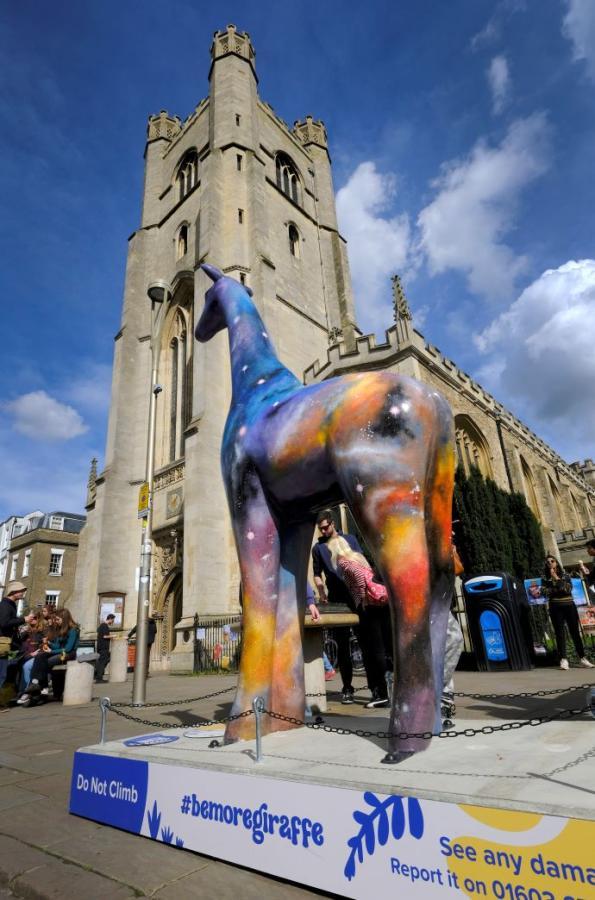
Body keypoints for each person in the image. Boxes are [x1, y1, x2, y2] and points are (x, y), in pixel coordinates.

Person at [312, 511, 366, 704]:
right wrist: (321, 590)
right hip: (336, 599)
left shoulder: (350, 539)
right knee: (342, 646)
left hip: (356, 596)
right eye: (321, 529)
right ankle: (347, 688)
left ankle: (378, 689)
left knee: (365, 641)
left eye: (326, 527)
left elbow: (362, 563)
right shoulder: (318, 548)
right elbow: (317, 573)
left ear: (333, 524)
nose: (324, 531)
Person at [542, 555, 593, 671]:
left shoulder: (565, 575)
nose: (550, 563)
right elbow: (545, 592)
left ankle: (582, 657)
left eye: (552, 561)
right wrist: (558, 588)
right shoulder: (545, 578)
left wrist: (556, 579)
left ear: (556, 562)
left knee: (575, 632)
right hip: (555, 607)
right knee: (560, 634)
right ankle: (563, 659)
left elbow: (568, 589)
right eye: (547, 562)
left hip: (569, 606)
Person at [18, 608, 80, 703]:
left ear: (65, 619)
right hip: (59, 652)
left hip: (68, 654)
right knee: (40, 656)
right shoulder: (61, 629)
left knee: (45, 662)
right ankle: (35, 683)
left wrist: (50, 651)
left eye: (58, 619)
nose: (56, 621)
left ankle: (41, 688)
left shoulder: (73, 630)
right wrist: (49, 643)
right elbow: (58, 646)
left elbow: (68, 649)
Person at [0, 582, 34, 691]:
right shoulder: (5, 605)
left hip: (11, 644)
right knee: (3, 673)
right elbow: (4, 623)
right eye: (21, 591)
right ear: (13, 592)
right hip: (4, 644)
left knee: (10, 670)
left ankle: (6, 698)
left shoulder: (10, 604)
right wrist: (24, 619)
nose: (23, 593)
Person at [95, 613, 116, 683]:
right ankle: (99, 678)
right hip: (103, 647)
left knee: (105, 660)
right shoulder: (104, 626)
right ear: (110, 619)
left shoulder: (102, 625)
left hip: (102, 647)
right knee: (102, 662)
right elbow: (104, 636)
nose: (113, 622)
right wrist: (112, 636)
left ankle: (98, 675)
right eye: (113, 620)